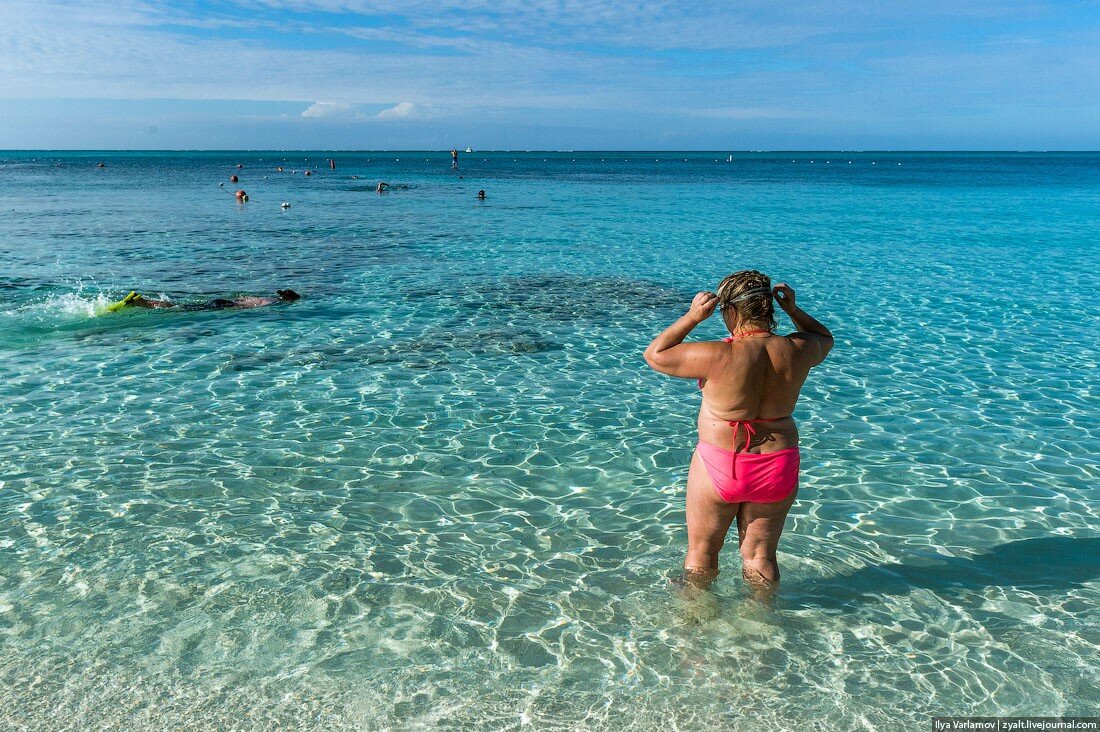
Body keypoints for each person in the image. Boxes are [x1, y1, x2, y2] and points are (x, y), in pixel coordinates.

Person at [643, 270, 833, 592]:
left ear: (730, 311)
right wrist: (794, 311)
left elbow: (655, 354)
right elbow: (825, 338)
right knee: (760, 557)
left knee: (702, 554)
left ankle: (692, 627)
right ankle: (763, 627)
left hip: (723, 464)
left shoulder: (718, 354)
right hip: (778, 465)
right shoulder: (796, 350)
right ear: (770, 309)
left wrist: (692, 317)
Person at [109, 289, 301, 311]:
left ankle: (145, 301)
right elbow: (245, 307)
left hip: (223, 300)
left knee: (181, 305)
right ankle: (142, 303)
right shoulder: (272, 303)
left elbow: (243, 298)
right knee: (179, 309)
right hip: (223, 306)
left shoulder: (266, 297)